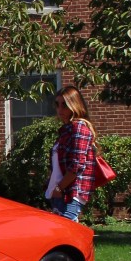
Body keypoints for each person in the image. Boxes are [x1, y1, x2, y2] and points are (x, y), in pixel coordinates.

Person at [45, 85, 97, 221]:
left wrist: (59, 188)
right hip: (60, 192)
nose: (60, 109)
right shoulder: (66, 130)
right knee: (60, 232)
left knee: (66, 231)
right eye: (57, 104)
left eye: (65, 105)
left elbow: (76, 165)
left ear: (74, 105)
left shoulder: (79, 128)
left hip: (71, 192)